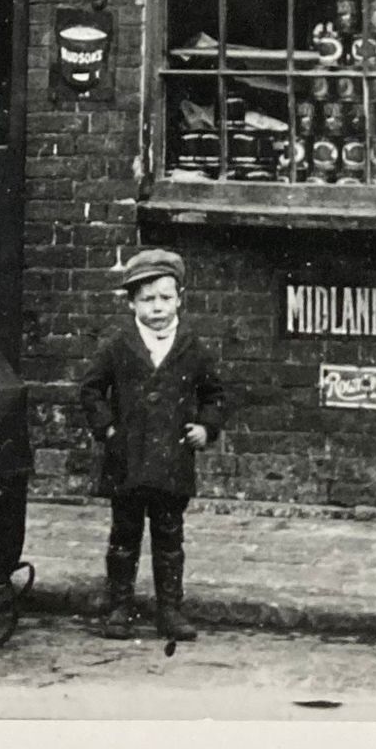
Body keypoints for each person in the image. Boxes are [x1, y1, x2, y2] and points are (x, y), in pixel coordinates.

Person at [78, 247, 226, 642]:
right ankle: (120, 607)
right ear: (132, 304)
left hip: (172, 459)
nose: (157, 307)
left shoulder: (192, 347)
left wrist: (206, 428)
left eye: (165, 297)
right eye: (147, 299)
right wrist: (107, 429)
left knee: (169, 537)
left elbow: (215, 394)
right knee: (124, 536)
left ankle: (169, 610)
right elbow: (91, 389)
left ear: (179, 298)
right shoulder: (118, 346)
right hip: (127, 458)